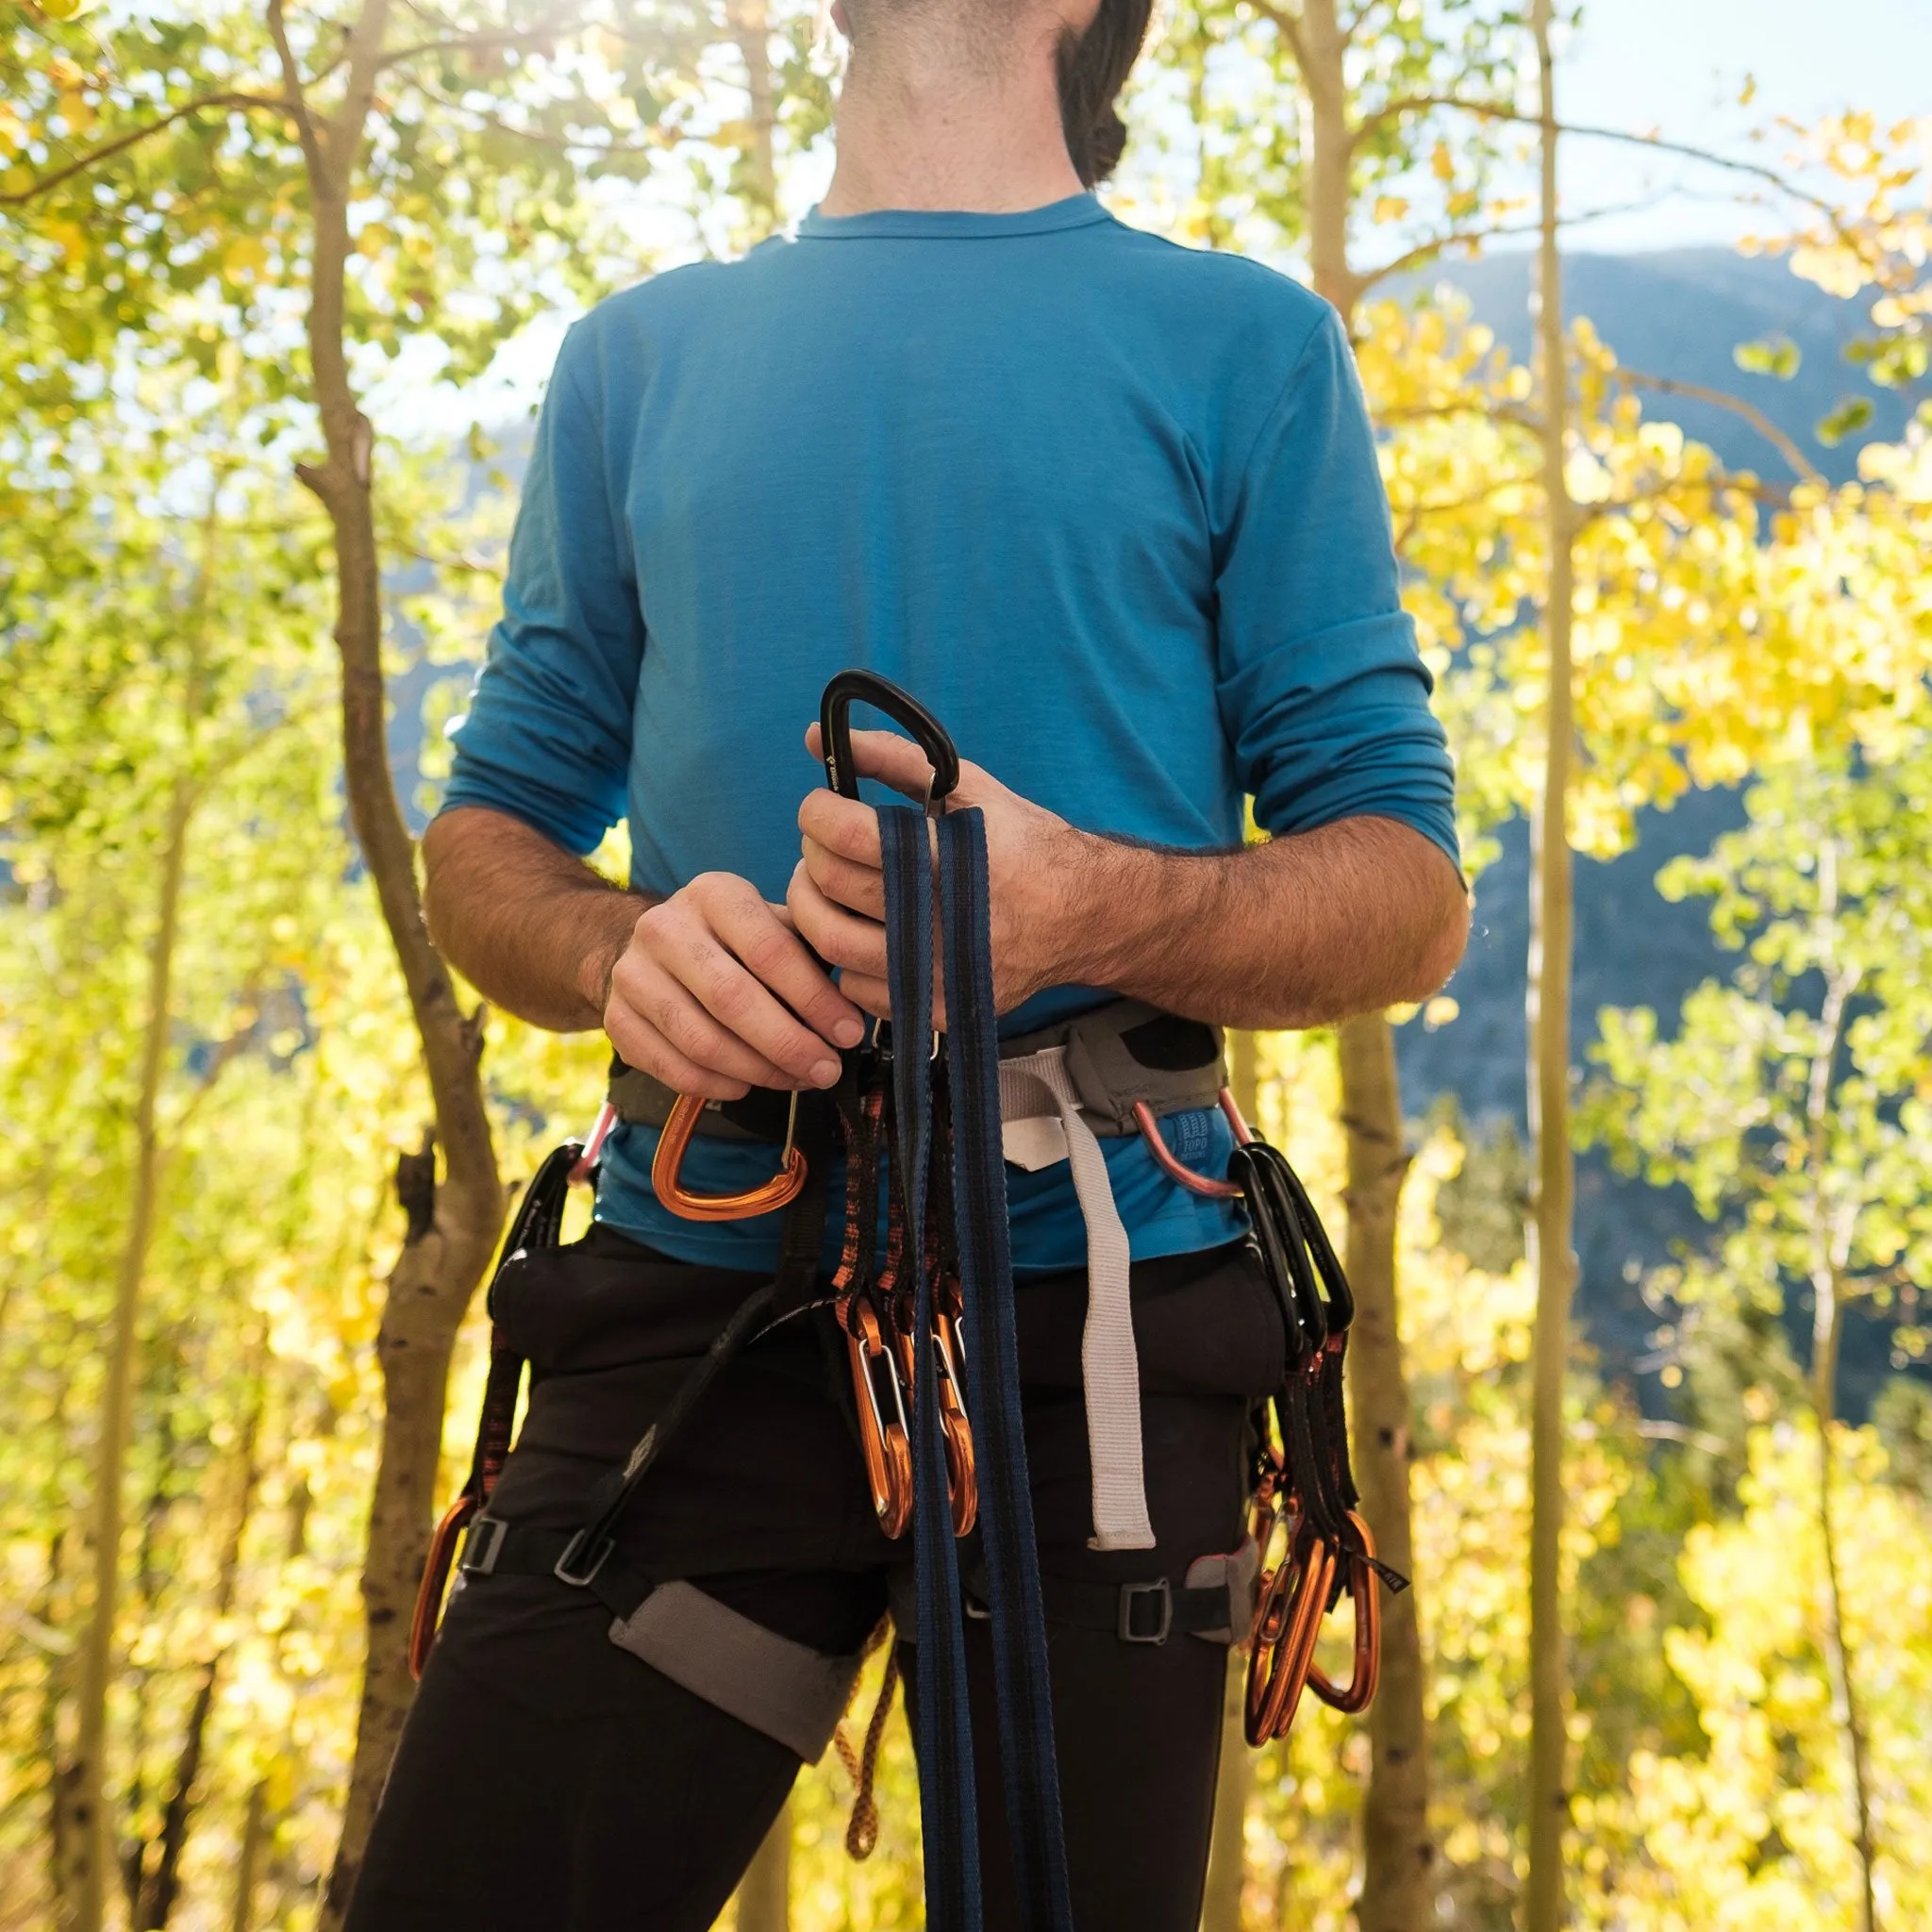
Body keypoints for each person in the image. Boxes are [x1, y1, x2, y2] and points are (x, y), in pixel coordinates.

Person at [345, 0, 1467, 1925]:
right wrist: (621, 948)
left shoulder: (1243, 349)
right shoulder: (636, 358)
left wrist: (1081, 908)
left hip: (1099, 1360)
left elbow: (1402, 888)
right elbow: (484, 844)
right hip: (697, 1309)